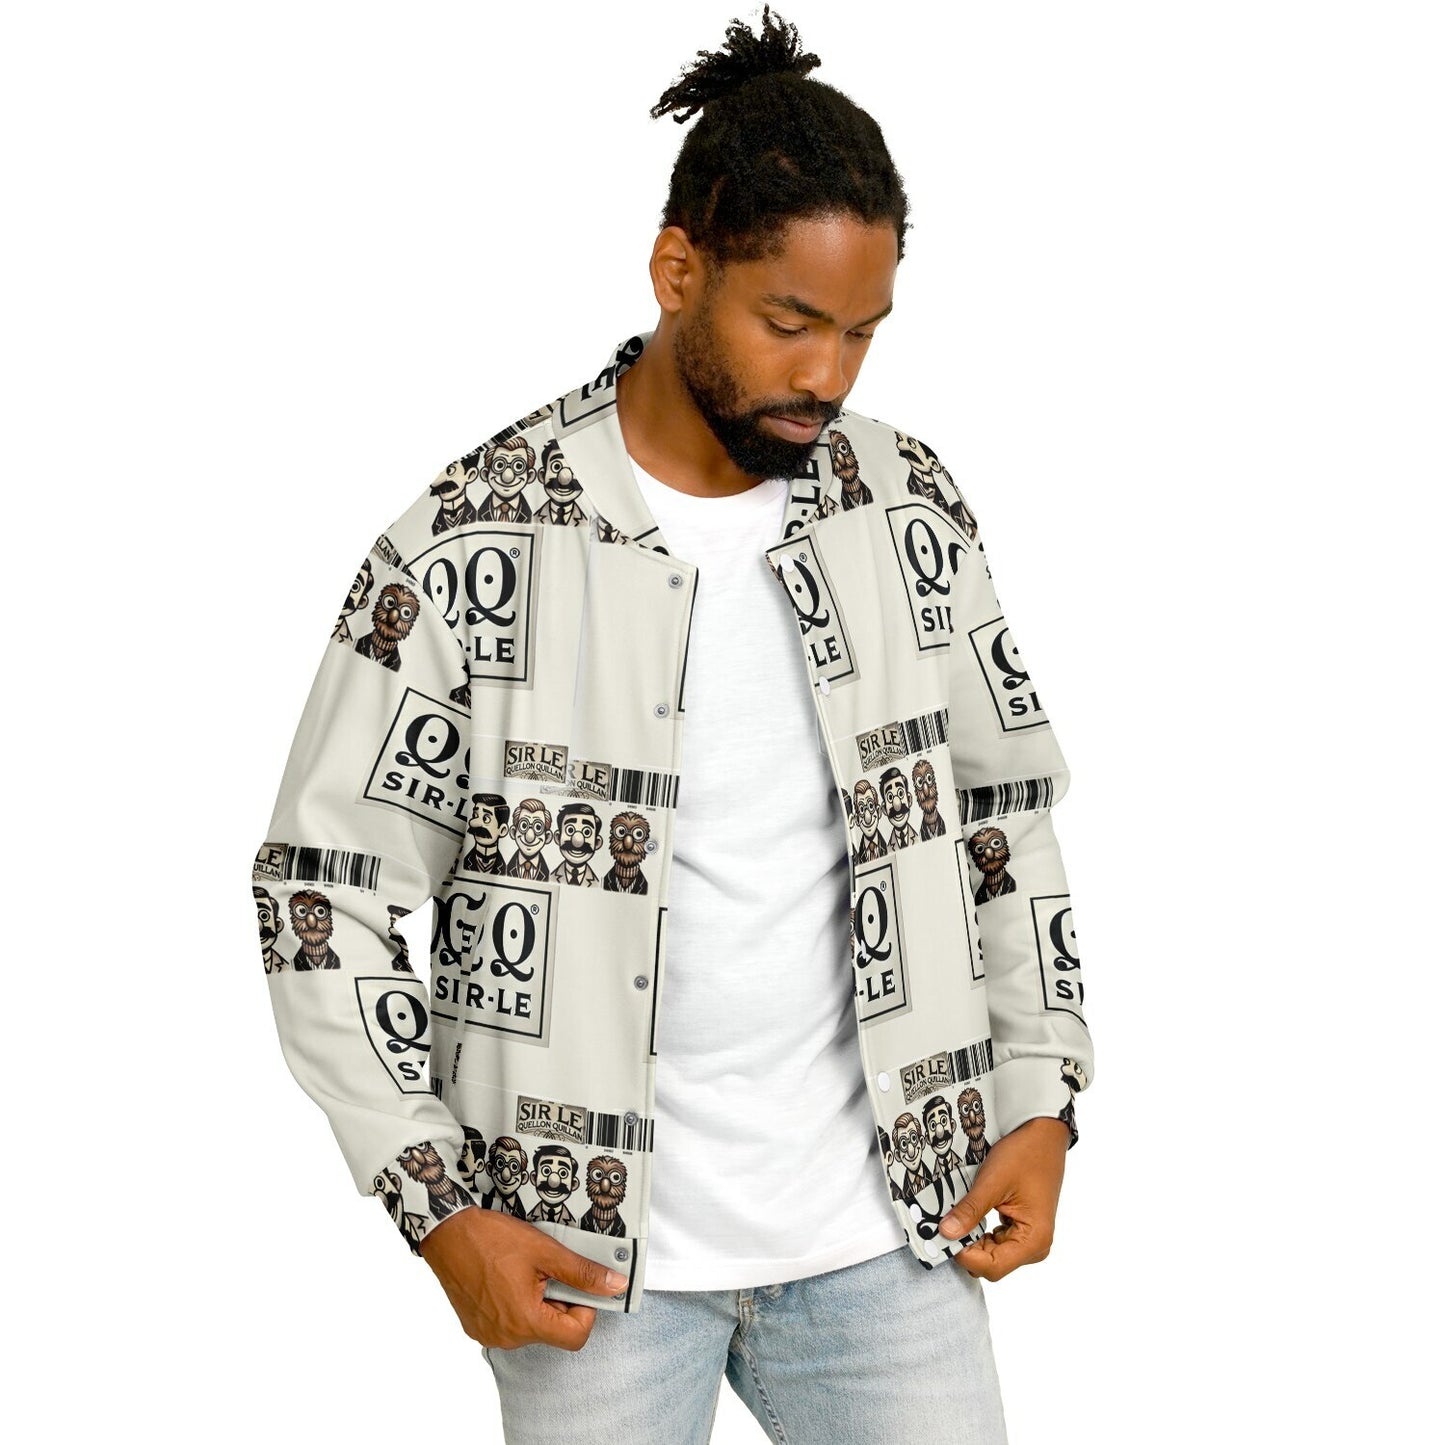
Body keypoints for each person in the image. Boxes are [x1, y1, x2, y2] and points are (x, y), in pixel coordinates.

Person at [251, 9, 1094, 1441]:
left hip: (894, 1229)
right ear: (677, 270)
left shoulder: (903, 507)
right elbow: (323, 893)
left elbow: (1002, 812)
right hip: (584, 1264)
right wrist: (438, 1206)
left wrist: (1043, 1094)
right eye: (790, 323)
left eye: (862, 333)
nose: (827, 376)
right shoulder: (476, 539)